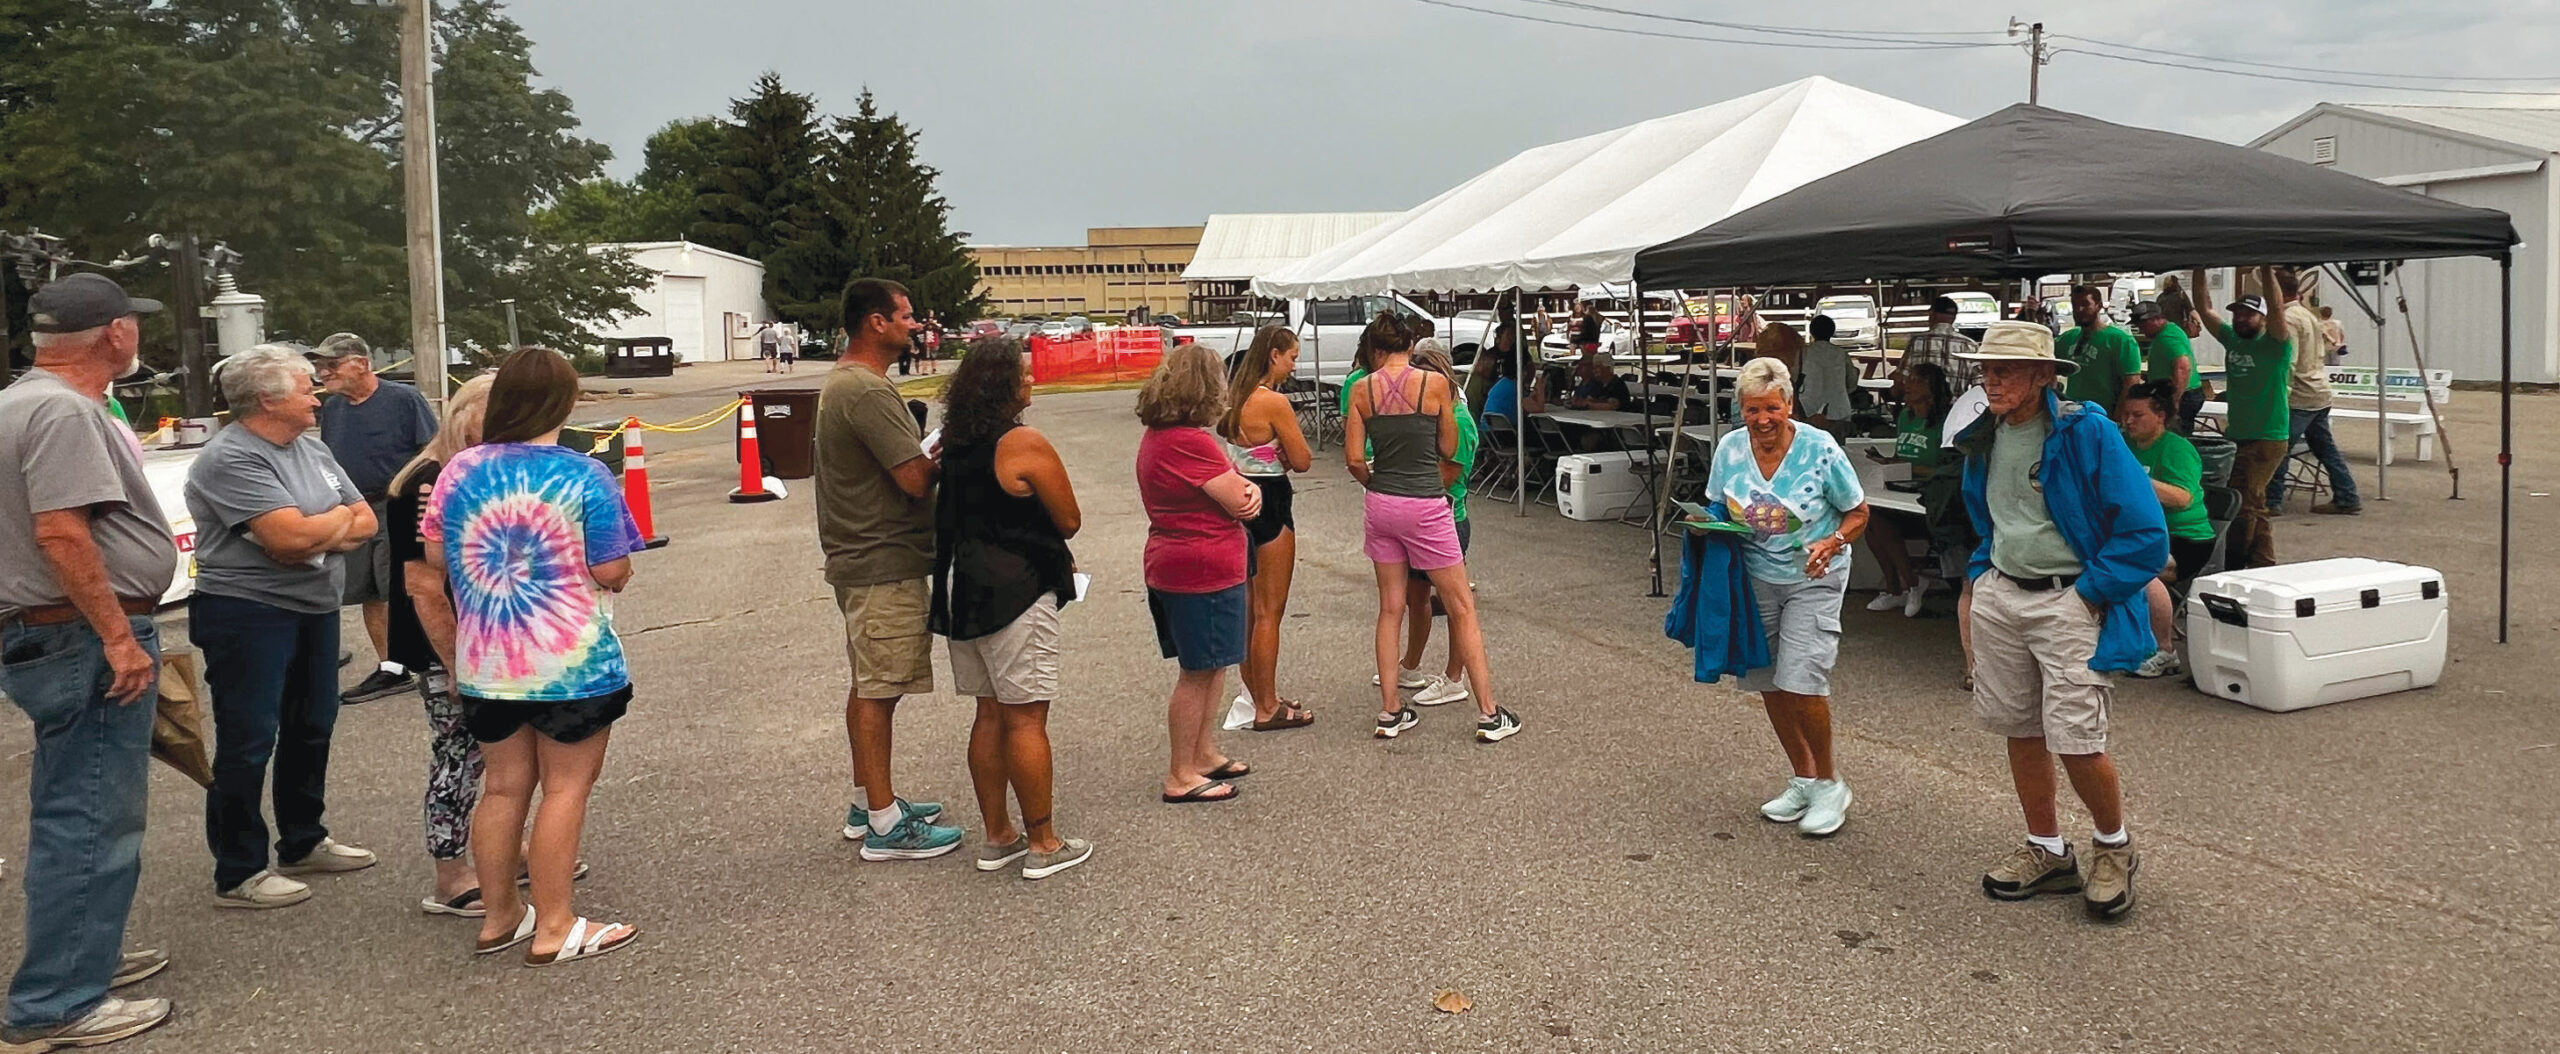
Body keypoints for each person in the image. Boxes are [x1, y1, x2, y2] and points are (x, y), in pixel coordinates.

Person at [0, 274, 177, 1050]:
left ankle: (82, 956)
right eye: (133, 324)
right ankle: (57, 1001)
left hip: (51, 630)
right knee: (91, 816)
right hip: (79, 634)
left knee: (76, 805)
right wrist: (116, 635)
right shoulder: (64, 410)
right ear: (115, 333)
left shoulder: (19, 401)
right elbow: (61, 533)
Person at [422, 347, 642, 965]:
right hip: (569, 662)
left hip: (486, 662)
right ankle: (556, 925)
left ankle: (500, 916)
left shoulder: (458, 470)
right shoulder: (584, 475)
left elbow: (436, 558)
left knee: (502, 788)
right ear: (563, 404)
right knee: (565, 789)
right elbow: (611, 568)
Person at [1953, 321, 2166, 922]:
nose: (1991, 381)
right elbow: (1987, 513)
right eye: (1986, 370)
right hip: (2003, 596)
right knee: (2020, 729)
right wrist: (1984, 572)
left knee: (2077, 740)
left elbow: (2146, 533)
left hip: (2066, 600)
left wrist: (2089, 594)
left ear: (2045, 375)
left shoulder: (2086, 431)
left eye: (2005, 370)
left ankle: (2113, 846)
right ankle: (2047, 849)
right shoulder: (1985, 434)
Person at [186, 344, 382, 911]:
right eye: (305, 388)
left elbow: (365, 519)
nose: (317, 397)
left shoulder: (312, 448)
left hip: (314, 606)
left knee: (312, 725)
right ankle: (239, 870)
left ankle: (303, 840)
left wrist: (319, 528)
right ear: (267, 399)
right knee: (248, 739)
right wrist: (329, 526)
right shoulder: (229, 459)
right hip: (246, 612)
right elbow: (287, 539)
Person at [930, 339, 1093, 880]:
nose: (1031, 380)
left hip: (961, 586)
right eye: (1022, 374)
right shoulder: (1021, 442)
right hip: (1015, 587)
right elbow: (1069, 519)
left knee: (988, 712)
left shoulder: (954, 443)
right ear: (1002, 386)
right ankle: (1043, 840)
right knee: (1026, 716)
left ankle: (998, 833)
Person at [816, 278, 961, 857]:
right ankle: (883, 824)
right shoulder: (867, 391)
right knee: (880, 692)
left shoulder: (847, 382)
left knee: (868, 685)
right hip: (880, 558)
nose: (914, 325)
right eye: (905, 316)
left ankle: (868, 800)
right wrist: (950, 449)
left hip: (862, 556)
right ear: (876, 322)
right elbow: (912, 478)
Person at [1702, 357, 1867, 837]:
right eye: (1752, 410)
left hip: (1814, 576)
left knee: (1802, 680)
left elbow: (1859, 512)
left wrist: (1833, 541)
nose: (1762, 420)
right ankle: (1805, 778)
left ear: (1789, 405)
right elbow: (1717, 505)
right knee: (1768, 679)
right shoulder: (1730, 448)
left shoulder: (1820, 448)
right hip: (1756, 576)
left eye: (1771, 408)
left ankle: (1831, 783)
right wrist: (1705, 523)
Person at [1345, 315, 1519, 744]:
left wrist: (1375, 481)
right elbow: (1448, 445)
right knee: (1461, 606)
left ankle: (1390, 711)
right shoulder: (1434, 384)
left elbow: (1353, 459)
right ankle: (1489, 712)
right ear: (1410, 345)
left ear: (1375, 348)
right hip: (1424, 502)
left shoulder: (1362, 389)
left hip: (1382, 502)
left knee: (1391, 608)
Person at [383, 374, 496, 917]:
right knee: (458, 753)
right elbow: (423, 583)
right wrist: (454, 661)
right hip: (439, 639)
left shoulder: (468, 469)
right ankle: (450, 874)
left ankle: (503, 851)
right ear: (465, 415)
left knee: (497, 753)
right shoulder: (429, 479)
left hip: (481, 636)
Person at [1136, 343, 1263, 803]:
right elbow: (1240, 499)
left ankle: (1202, 752)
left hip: (1182, 560)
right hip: (1201, 566)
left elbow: (1235, 491)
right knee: (1197, 672)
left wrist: (1244, 489)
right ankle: (1181, 773)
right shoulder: (1190, 442)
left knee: (1213, 664)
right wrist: (1249, 490)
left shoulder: (1160, 436)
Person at [311, 333, 438, 705]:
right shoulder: (333, 408)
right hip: (354, 510)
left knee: (404, 587)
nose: (323, 373)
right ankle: (391, 668)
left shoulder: (404, 400)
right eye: (320, 366)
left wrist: (424, 507)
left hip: (398, 506)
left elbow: (432, 454)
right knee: (369, 591)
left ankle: (432, 660)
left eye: (332, 365)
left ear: (362, 364)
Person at [1216, 326, 1315, 731]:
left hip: (1239, 499)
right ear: (1274, 355)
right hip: (1272, 500)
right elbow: (1302, 459)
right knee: (1269, 611)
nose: (1294, 366)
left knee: (1249, 609)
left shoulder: (1234, 399)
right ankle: (1267, 705)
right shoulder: (1273, 402)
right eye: (1292, 357)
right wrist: (1285, 455)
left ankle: (1257, 693)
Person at [1385, 339, 1481, 708]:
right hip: (1418, 518)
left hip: (1446, 519)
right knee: (1416, 597)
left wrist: (1397, 478)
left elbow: (1448, 475)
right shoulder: (1429, 415)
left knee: (1457, 604)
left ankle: (1454, 677)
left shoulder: (1458, 420)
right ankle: (1411, 665)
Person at [2193, 267, 2293, 569]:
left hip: (2267, 436)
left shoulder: (2275, 344)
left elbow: (2277, 306)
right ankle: (2263, 563)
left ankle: (2235, 563)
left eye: (2248, 314)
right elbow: (2204, 308)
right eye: (2237, 314)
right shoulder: (2233, 340)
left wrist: (2266, 267)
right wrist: (2199, 267)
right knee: (2251, 502)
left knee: (2245, 503)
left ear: (2263, 318)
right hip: (2238, 434)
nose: (2240, 319)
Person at [2117, 382, 2214, 681]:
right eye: (2126, 414)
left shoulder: (2177, 449)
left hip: (2185, 538)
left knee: (2136, 571)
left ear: (2160, 417)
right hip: (2139, 532)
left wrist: (2136, 481)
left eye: (2137, 415)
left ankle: (2165, 650)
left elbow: (2182, 497)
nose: (2128, 421)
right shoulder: (2124, 443)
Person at [1862, 362, 1952, 618]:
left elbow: (1946, 467)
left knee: (1881, 522)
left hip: (1931, 500)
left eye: (1914, 381)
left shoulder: (1945, 421)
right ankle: (1896, 589)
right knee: (1870, 519)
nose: (1906, 385)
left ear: (1930, 387)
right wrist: (1887, 462)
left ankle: (1911, 584)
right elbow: (1902, 457)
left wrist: (1909, 468)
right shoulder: (1905, 417)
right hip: (1900, 492)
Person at [2269, 269, 2359, 516]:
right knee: (2325, 448)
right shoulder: (2307, 314)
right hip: (2319, 390)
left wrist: (2281, 394)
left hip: (2300, 394)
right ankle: (2347, 495)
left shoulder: (2288, 319)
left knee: (2279, 447)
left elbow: (2289, 360)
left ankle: (2271, 500)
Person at [2057, 285, 2142, 416]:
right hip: (2074, 415)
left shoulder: (2120, 341)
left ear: (2099, 305)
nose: (2079, 309)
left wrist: (2118, 419)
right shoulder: (2068, 338)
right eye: (2075, 305)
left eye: (2085, 304)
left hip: (2105, 416)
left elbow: (2131, 383)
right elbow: (2040, 354)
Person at [2128, 301, 2205, 434]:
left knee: (2173, 434)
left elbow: (2183, 367)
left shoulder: (2168, 337)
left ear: (2156, 319)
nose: (2140, 329)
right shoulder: (2169, 331)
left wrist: (2175, 401)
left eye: (2142, 324)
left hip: (2183, 395)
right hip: (2182, 392)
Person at [1901, 296, 1981, 389]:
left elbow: (1903, 377)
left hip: (1923, 398)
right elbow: (1978, 383)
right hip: (1959, 398)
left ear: (1932, 314)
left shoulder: (1916, 341)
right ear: (1954, 318)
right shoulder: (1969, 345)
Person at [1796, 315, 1854, 432]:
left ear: (1812, 332)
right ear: (1832, 332)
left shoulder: (1803, 353)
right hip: (1839, 410)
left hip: (1808, 410)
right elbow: (1852, 381)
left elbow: (1794, 380)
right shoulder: (1841, 354)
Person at [1567, 351, 1633, 412]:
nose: (1594, 370)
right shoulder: (1597, 384)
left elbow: (1612, 406)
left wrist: (1588, 404)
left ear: (1608, 368)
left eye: (1598, 367)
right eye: (1593, 368)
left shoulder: (1617, 385)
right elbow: (1589, 399)